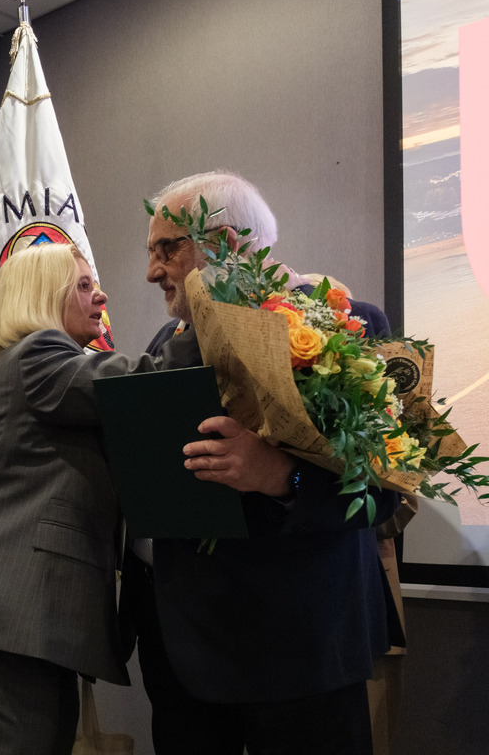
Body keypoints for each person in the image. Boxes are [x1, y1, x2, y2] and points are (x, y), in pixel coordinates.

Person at [128, 170, 403, 754]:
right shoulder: (164, 345)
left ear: (228, 243)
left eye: (167, 249)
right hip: (187, 663)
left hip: (305, 658)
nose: (152, 271)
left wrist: (283, 477)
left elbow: (384, 492)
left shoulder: (348, 327)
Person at [0, 243, 201, 755]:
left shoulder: (36, 363)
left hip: (22, 627)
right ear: (45, 294)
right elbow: (137, 383)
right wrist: (211, 316)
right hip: (3, 622)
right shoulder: (37, 353)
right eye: (85, 286)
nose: (102, 297)